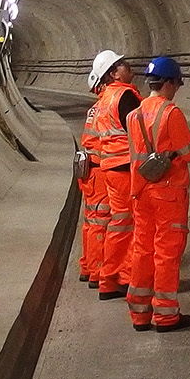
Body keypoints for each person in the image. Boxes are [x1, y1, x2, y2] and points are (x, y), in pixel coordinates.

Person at [122, 56, 190, 332]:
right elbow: (189, 154)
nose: (176, 90)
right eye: (176, 84)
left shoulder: (133, 115)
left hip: (140, 191)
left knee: (142, 251)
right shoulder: (171, 113)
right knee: (166, 254)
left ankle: (139, 314)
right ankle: (165, 316)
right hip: (168, 194)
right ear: (169, 83)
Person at [83, 50, 141, 299]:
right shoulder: (124, 95)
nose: (129, 68)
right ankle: (121, 277)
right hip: (125, 166)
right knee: (130, 224)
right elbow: (141, 131)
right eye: (123, 65)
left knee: (119, 222)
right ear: (113, 73)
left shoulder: (105, 98)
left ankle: (108, 277)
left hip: (109, 167)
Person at [76, 57, 111, 283]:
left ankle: (88, 266)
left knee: (90, 222)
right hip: (99, 173)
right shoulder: (106, 108)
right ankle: (98, 272)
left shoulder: (95, 108)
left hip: (88, 171)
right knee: (100, 223)